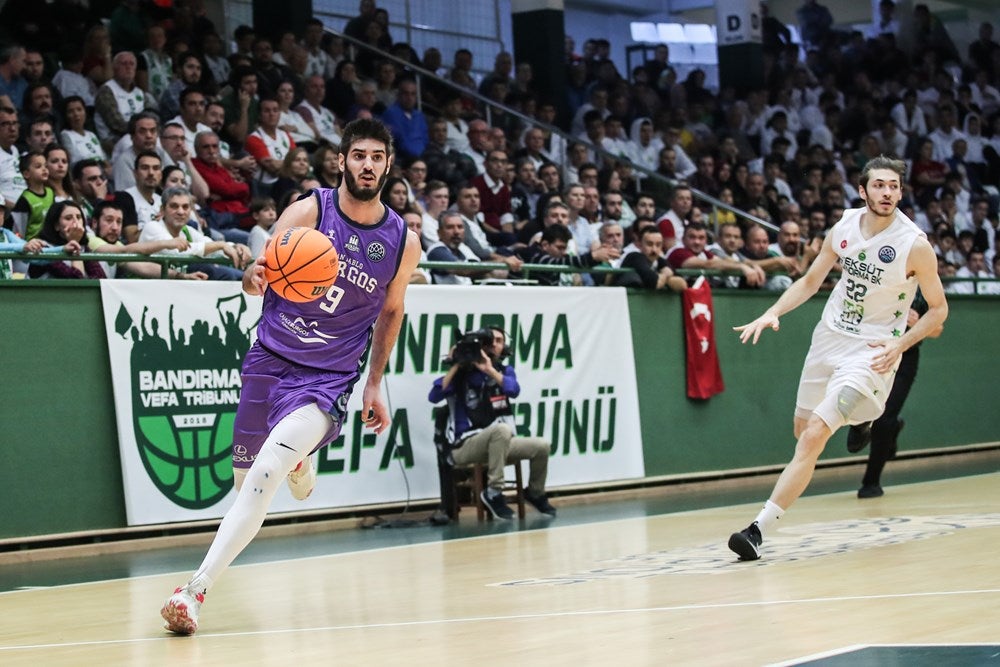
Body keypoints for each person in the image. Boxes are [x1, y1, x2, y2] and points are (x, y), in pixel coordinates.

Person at [161, 118, 421, 635]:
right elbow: (259, 273)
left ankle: (192, 592)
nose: (367, 164)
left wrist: (373, 383)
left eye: (377, 157)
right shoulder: (309, 210)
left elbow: (392, 313)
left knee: (263, 474)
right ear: (342, 160)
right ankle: (299, 463)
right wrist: (252, 277)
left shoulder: (401, 240)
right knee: (245, 483)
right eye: (359, 155)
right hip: (270, 358)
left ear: (387, 165)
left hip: (327, 378)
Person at [727, 156, 948, 561]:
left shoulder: (914, 245)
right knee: (801, 432)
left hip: (872, 351)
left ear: (900, 191)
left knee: (814, 435)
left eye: (894, 186)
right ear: (863, 191)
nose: (887, 193)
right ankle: (863, 418)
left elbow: (938, 310)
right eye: (879, 185)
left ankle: (758, 529)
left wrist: (899, 345)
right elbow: (812, 281)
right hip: (829, 339)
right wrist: (773, 311)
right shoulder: (844, 227)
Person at [428, 326, 556, 520]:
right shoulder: (461, 376)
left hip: (501, 443)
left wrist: (489, 369)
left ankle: (535, 493)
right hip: (465, 446)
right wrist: (456, 363)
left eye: (499, 341)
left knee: (542, 446)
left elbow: (513, 390)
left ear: (504, 346)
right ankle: (494, 492)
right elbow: (434, 396)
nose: (494, 345)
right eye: (491, 341)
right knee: (501, 430)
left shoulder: (504, 371)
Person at [847, 291, 942, 498]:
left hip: (905, 356)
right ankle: (876, 428)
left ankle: (871, 482)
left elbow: (938, 330)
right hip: (872, 350)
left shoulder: (926, 289)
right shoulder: (882, 275)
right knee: (863, 403)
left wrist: (919, 323)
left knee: (884, 417)